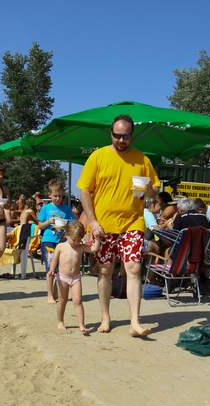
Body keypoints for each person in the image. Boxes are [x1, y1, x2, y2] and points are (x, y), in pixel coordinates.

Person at [78, 114, 160, 336]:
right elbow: (84, 190)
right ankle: (105, 317)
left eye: (126, 136)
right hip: (103, 225)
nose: (121, 140)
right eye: (117, 136)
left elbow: (154, 191)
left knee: (134, 268)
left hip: (133, 222)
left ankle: (135, 322)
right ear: (111, 133)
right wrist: (92, 221)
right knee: (105, 270)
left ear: (132, 135)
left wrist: (150, 189)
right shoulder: (98, 156)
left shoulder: (142, 159)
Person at [47, 221, 101, 333]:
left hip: (76, 278)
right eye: (74, 240)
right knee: (63, 300)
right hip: (62, 277)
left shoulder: (81, 247)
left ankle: (81, 324)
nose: (76, 242)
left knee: (78, 300)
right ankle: (60, 321)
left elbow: (94, 248)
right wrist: (51, 270)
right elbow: (55, 260)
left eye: (78, 240)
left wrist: (97, 237)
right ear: (66, 235)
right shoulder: (60, 246)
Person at [37, 179, 74, 304]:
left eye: (60, 196)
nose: (58, 198)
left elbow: (72, 224)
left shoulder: (66, 209)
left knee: (61, 269)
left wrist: (66, 226)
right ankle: (49, 295)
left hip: (62, 242)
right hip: (49, 240)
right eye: (55, 196)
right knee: (50, 268)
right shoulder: (46, 208)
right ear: (49, 195)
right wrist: (48, 222)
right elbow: (39, 225)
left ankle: (56, 291)